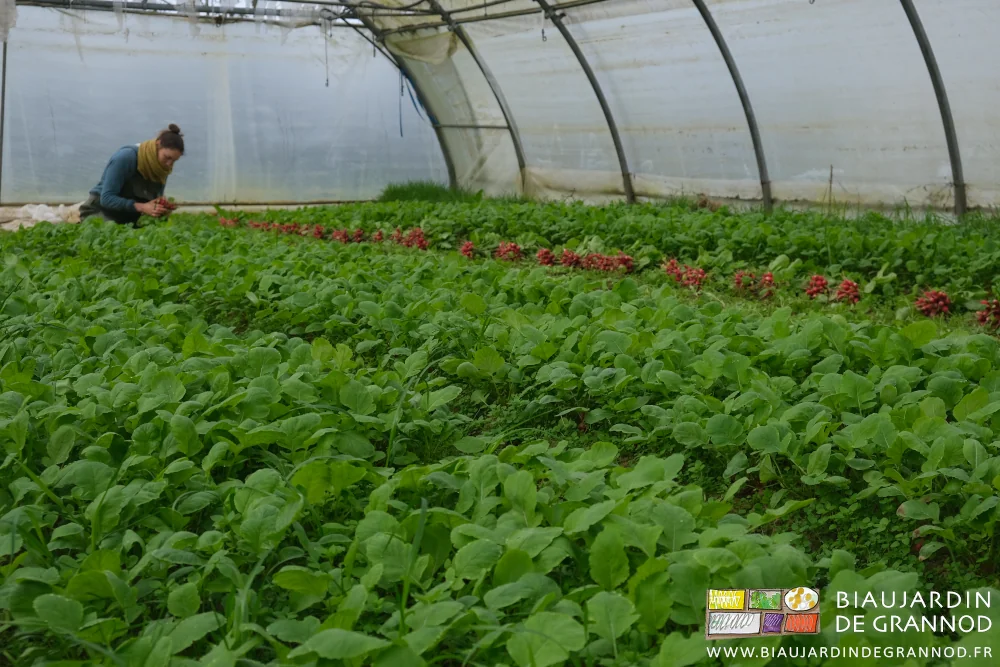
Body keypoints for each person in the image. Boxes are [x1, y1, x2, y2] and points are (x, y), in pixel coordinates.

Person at [79, 124, 184, 225]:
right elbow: (106, 198)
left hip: (128, 216)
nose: (169, 164)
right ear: (158, 144)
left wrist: (160, 207)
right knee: (113, 233)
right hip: (100, 210)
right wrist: (142, 207)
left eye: (174, 161)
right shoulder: (127, 157)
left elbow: (154, 199)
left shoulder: (162, 168)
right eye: (167, 157)